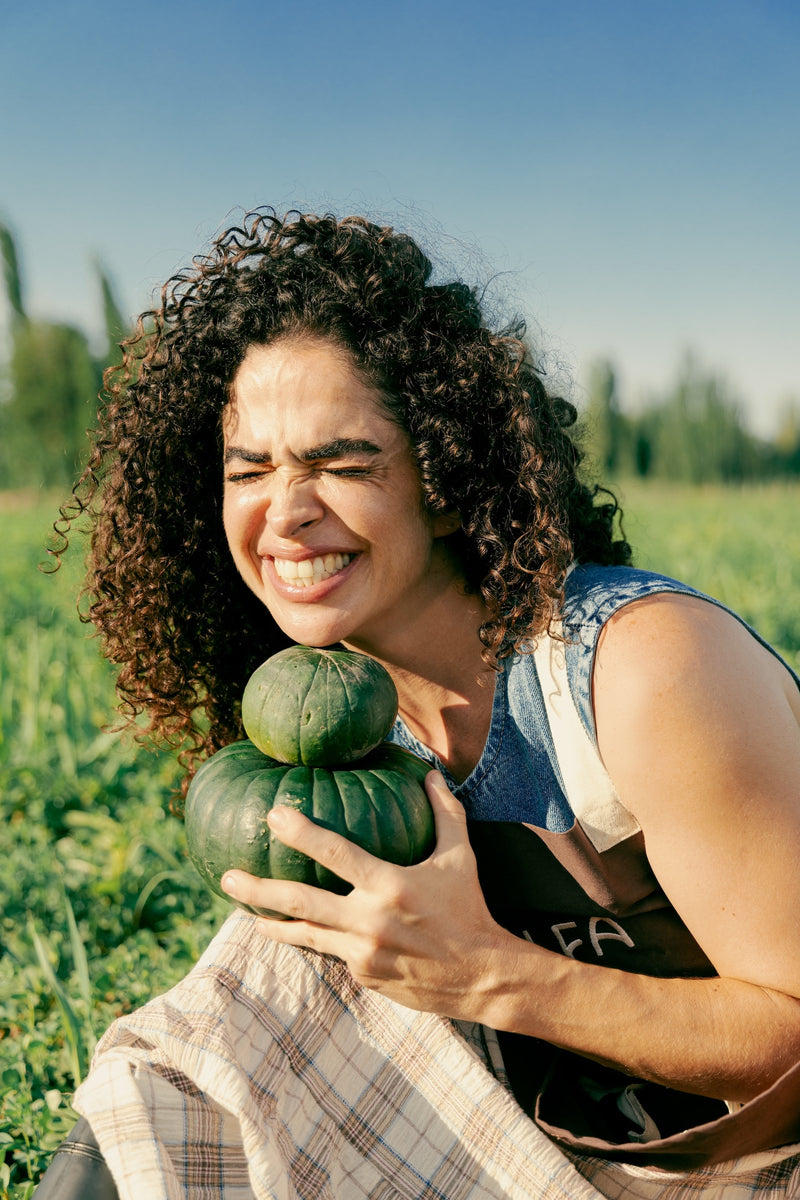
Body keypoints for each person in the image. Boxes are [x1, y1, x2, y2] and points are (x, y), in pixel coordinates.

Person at [52, 209, 800, 1199]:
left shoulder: (638, 669)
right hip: (555, 1141)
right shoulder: (340, 725)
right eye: (250, 469)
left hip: (757, 1159)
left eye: (340, 462)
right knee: (265, 969)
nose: (285, 509)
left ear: (446, 480)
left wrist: (489, 973)